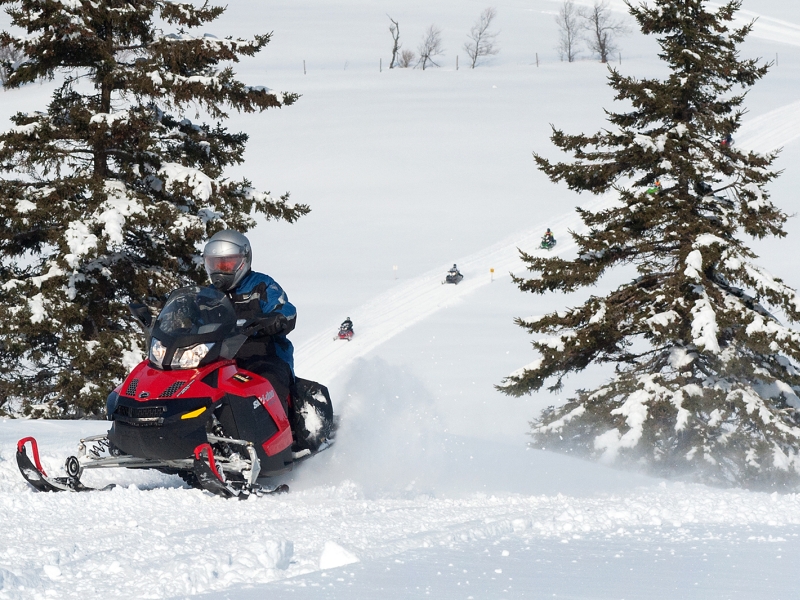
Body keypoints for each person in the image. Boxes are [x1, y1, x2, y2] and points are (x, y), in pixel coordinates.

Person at [202, 229, 296, 404]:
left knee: (269, 383)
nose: (220, 269)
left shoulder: (262, 285)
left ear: (243, 261)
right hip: (218, 359)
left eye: (227, 263)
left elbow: (284, 307)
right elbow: (192, 318)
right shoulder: (207, 296)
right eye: (215, 264)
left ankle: (281, 426)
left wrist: (276, 318)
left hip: (263, 355)